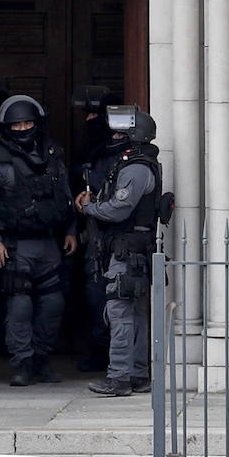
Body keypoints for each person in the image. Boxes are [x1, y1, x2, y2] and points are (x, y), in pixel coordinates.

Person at [0, 95, 78, 387]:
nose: (22, 128)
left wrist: (71, 229)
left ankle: (42, 360)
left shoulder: (52, 155)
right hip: (15, 246)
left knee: (54, 303)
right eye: (17, 124)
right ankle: (22, 363)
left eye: (27, 122)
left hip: (49, 243)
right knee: (19, 306)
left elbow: (66, 197)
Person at [78, 105, 163, 397]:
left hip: (127, 251)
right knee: (134, 313)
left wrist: (89, 207)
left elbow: (119, 209)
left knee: (119, 312)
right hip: (132, 250)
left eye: (119, 133)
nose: (114, 138)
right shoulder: (135, 164)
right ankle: (137, 374)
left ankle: (120, 377)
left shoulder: (136, 168)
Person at [74, 86, 124, 373]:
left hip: (112, 236)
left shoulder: (121, 157)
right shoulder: (91, 153)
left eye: (96, 115)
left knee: (110, 299)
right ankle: (99, 352)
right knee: (94, 296)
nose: (90, 121)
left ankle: (113, 360)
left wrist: (90, 205)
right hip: (92, 236)